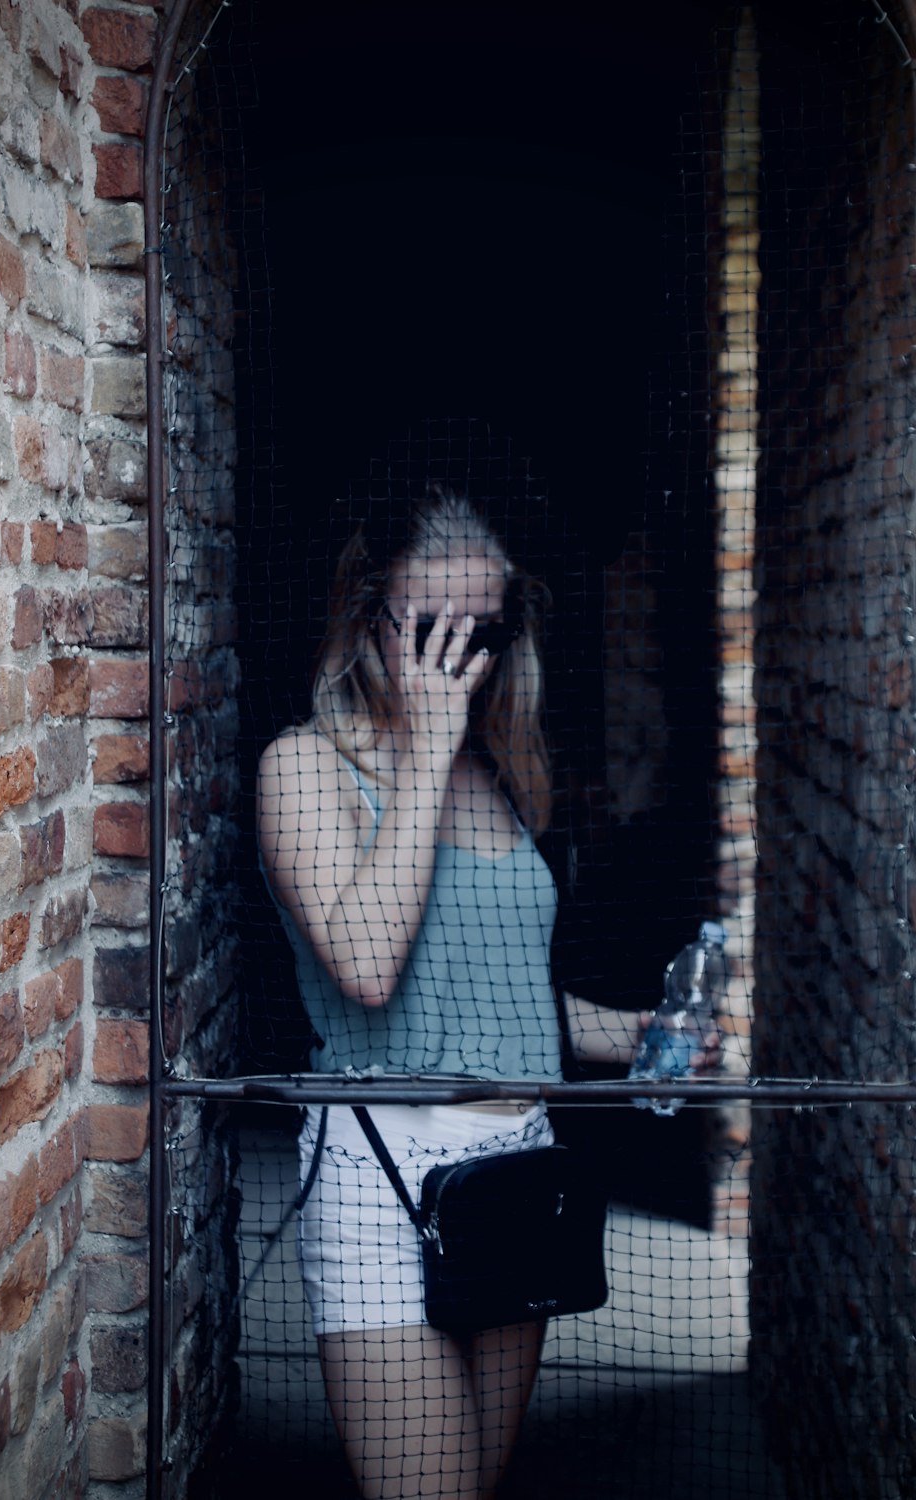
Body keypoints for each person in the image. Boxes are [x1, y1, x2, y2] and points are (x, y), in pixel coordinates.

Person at [257, 490, 716, 1499]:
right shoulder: (304, 769)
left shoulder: (499, 777)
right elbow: (369, 966)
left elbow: (501, 995)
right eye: (431, 628)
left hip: (514, 1157)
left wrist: (636, 1030)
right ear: (364, 610)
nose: (459, 659)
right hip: (383, 1160)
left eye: (486, 631)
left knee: (483, 1484)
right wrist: (422, 754)